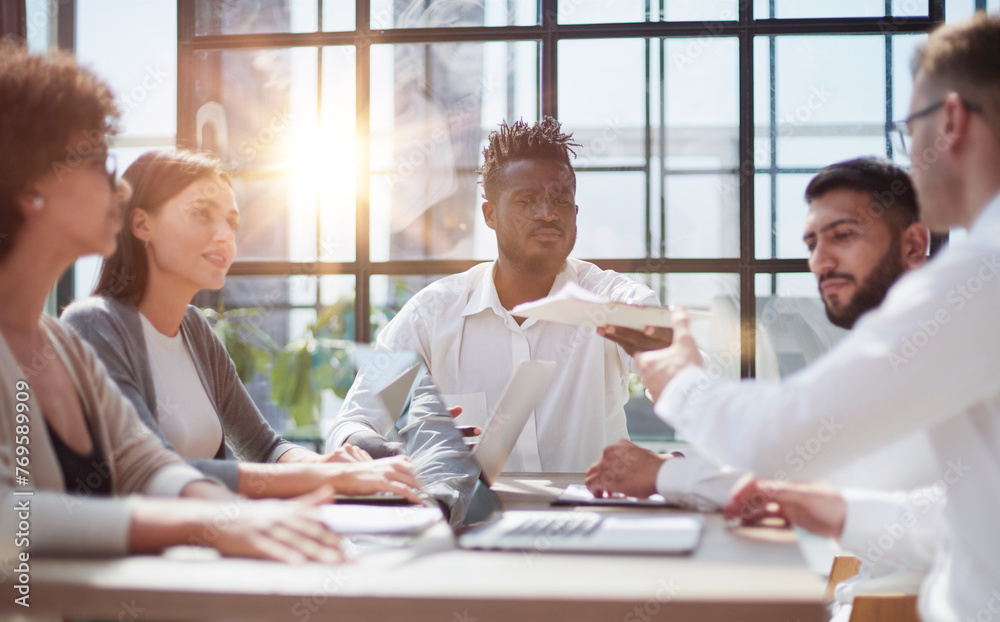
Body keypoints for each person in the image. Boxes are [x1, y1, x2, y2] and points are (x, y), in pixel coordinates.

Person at [634, 15, 1000, 622]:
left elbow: (776, 437)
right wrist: (836, 509)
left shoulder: (979, 276)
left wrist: (678, 378)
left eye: (911, 127)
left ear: (952, 121)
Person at [0, 41, 342, 563]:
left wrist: (236, 518)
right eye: (99, 166)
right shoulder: (89, 328)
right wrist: (212, 522)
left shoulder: (63, 347)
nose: (118, 192)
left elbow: (145, 465)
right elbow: (12, 516)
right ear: (33, 189)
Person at [61, 149, 424, 503]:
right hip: (139, 555)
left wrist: (336, 467)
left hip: (205, 546)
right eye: (201, 213)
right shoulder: (94, 325)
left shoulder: (196, 331)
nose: (225, 235)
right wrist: (323, 474)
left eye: (231, 222)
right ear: (142, 224)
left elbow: (264, 447)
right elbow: (151, 471)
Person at [327, 117, 671, 471]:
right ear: (490, 214)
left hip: (592, 516)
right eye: (527, 201)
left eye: (560, 200)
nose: (548, 213)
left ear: (575, 212)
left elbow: (677, 369)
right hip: (470, 520)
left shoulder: (614, 300)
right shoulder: (432, 314)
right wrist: (401, 456)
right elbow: (353, 424)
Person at [586, 157, 932, 508]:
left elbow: (783, 445)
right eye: (812, 244)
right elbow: (813, 476)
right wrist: (667, 473)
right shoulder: (878, 347)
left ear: (914, 246)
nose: (821, 261)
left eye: (843, 235)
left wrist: (681, 384)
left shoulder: (931, 338)